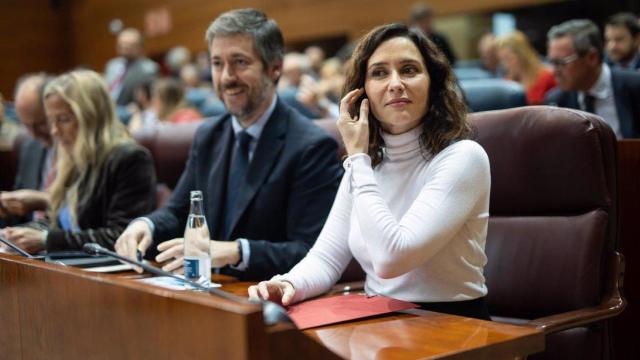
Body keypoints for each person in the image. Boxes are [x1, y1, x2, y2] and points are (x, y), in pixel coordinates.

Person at [249, 23, 492, 320]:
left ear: (433, 84)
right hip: (380, 321)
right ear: (361, 93)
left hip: (454, 325)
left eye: (409, 70)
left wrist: (358, 159)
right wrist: (289, 283)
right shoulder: (365, 164)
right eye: (379, 73)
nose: (395, 83)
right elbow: (327, 257)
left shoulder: (464, 158)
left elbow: (392, 258)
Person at [114, 9, 342, 281]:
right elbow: (178, 211)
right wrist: (146, 224)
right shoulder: (208, 135)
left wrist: (236, 251)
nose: (226, 77)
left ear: (275, 68)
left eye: (240, 62)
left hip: (272, 302)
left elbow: (311, 252)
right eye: (217, 63)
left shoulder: (312, 146)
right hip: (212, 295)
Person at [0, 70, 156, 254]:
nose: (55, 131)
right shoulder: (72, 159)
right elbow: (55, 222)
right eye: (51, 121)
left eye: (63, 120)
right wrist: (14, 236)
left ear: (91, 117)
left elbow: (120, 236)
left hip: (107, 274)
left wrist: (46, 240)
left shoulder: (130, 158)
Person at [544, 19, 640, 138]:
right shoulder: (556, 101)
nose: (554, 71)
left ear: (592, 57)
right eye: (552, 62)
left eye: (561, 62)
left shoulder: (635, 85)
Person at [0, 74, 55, 226]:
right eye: (26, 125)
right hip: (25, 241)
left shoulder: (81, 152)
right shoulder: (30, 145)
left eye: (40, 124)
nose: (34, 133)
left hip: (62, 243)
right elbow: (17, 215)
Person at [497, 31, 556, 105]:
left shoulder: (547, 77)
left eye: (508, 58)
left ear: (523, 55)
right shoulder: (508, 83)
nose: (505, 65)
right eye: (502, 60)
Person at [104, 28, 158, 106]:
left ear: (140, 47)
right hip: (108, 107)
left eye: (129, 44)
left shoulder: (149, 69)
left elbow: (151, 97)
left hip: (131, 110)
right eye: (121, 44)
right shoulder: (112, 65)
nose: (125, 47)